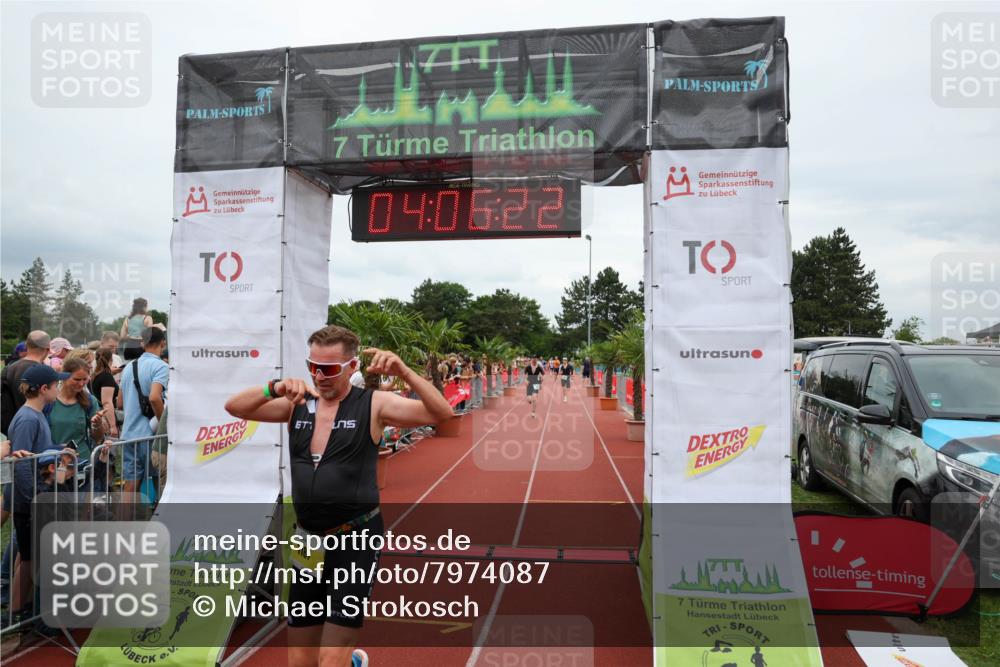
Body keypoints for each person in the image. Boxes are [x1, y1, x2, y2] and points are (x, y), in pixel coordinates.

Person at [224, 325, 454, 667]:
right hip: (307, 542)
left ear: (352, 367)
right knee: (300, 660)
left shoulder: (374, 405)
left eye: (329, 369)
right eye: (312, 366)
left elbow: (442, 414)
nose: (319, 376)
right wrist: (272, 387)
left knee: (329, 659)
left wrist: (405, 372)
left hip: (355, 538)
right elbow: (235, 407)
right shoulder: (295, 406)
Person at [7, 364, 68, 620]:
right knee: (30, 559)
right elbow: (20, 462)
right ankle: (15, 613)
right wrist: (37, 497)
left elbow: (37, 451)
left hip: (30, 495)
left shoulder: (37, 414)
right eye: (57, 385)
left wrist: (58, 449)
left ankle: (21, 607)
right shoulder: (28, 418)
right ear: (44, 389)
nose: (59, 389)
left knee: (27, 554)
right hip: (27, 499)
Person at [117, 326, 168, 500]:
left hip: (129, 434)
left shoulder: (129, 367)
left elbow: (120, 402)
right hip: (151, 436)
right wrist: (164, 424)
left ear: (142, 343)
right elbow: (154, 397)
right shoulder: (162, 367)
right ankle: (160, 522)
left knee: (130, 486)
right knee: (160, 483)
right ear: (163, 342)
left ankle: (123, 526)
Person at [47, 357, 106, 469]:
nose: (81, 384)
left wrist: (98, 424)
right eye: (77, 379)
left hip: (81, 462)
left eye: (85, 379)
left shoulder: (89, 401)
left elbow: (97, 437)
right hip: (54, 461)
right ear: (64, 377)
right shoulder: (50, 401)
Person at [1, 331, 51, 435]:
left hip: (13, 427)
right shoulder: (44, 371)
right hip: (38, 430)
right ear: (48, 349)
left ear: (27, 346)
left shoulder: (9, 368)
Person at [91, 348, 120, 438]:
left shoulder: (94, 375)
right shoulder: (106, 376)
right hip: (105, 418)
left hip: (98, 415)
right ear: (111, 360)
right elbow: (107, 402)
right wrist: (113, 426)